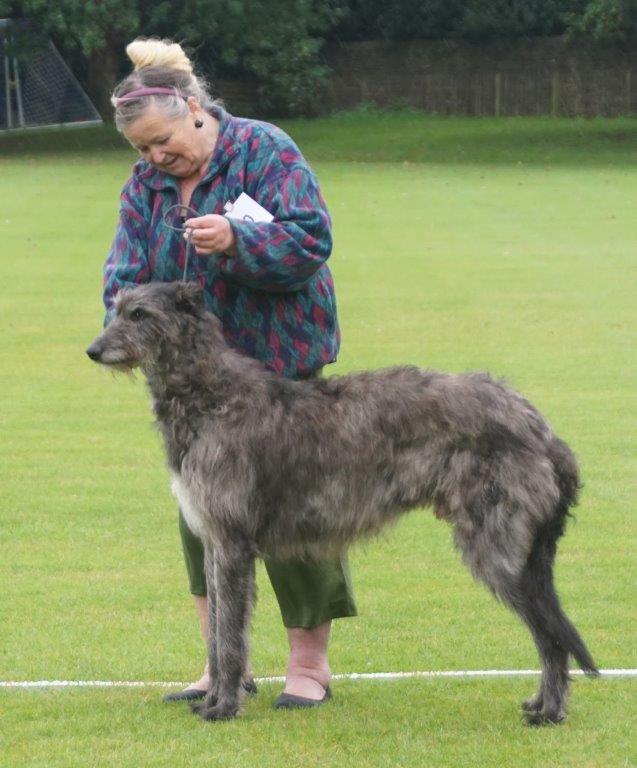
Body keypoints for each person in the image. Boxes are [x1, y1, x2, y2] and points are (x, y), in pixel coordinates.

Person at [103, 38, 357, 708]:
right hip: (192, 385)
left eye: (162, 141)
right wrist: (123, 321)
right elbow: (125, 274)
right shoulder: (145, 188)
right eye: (143, 150)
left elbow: (308, 241)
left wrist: (240, 241)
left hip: (279, 365)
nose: (157, 157)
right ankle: (224, 666)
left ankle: (308, 667)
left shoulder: (263, 149)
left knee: (296, 511)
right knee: (202, 517)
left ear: (191, 109)